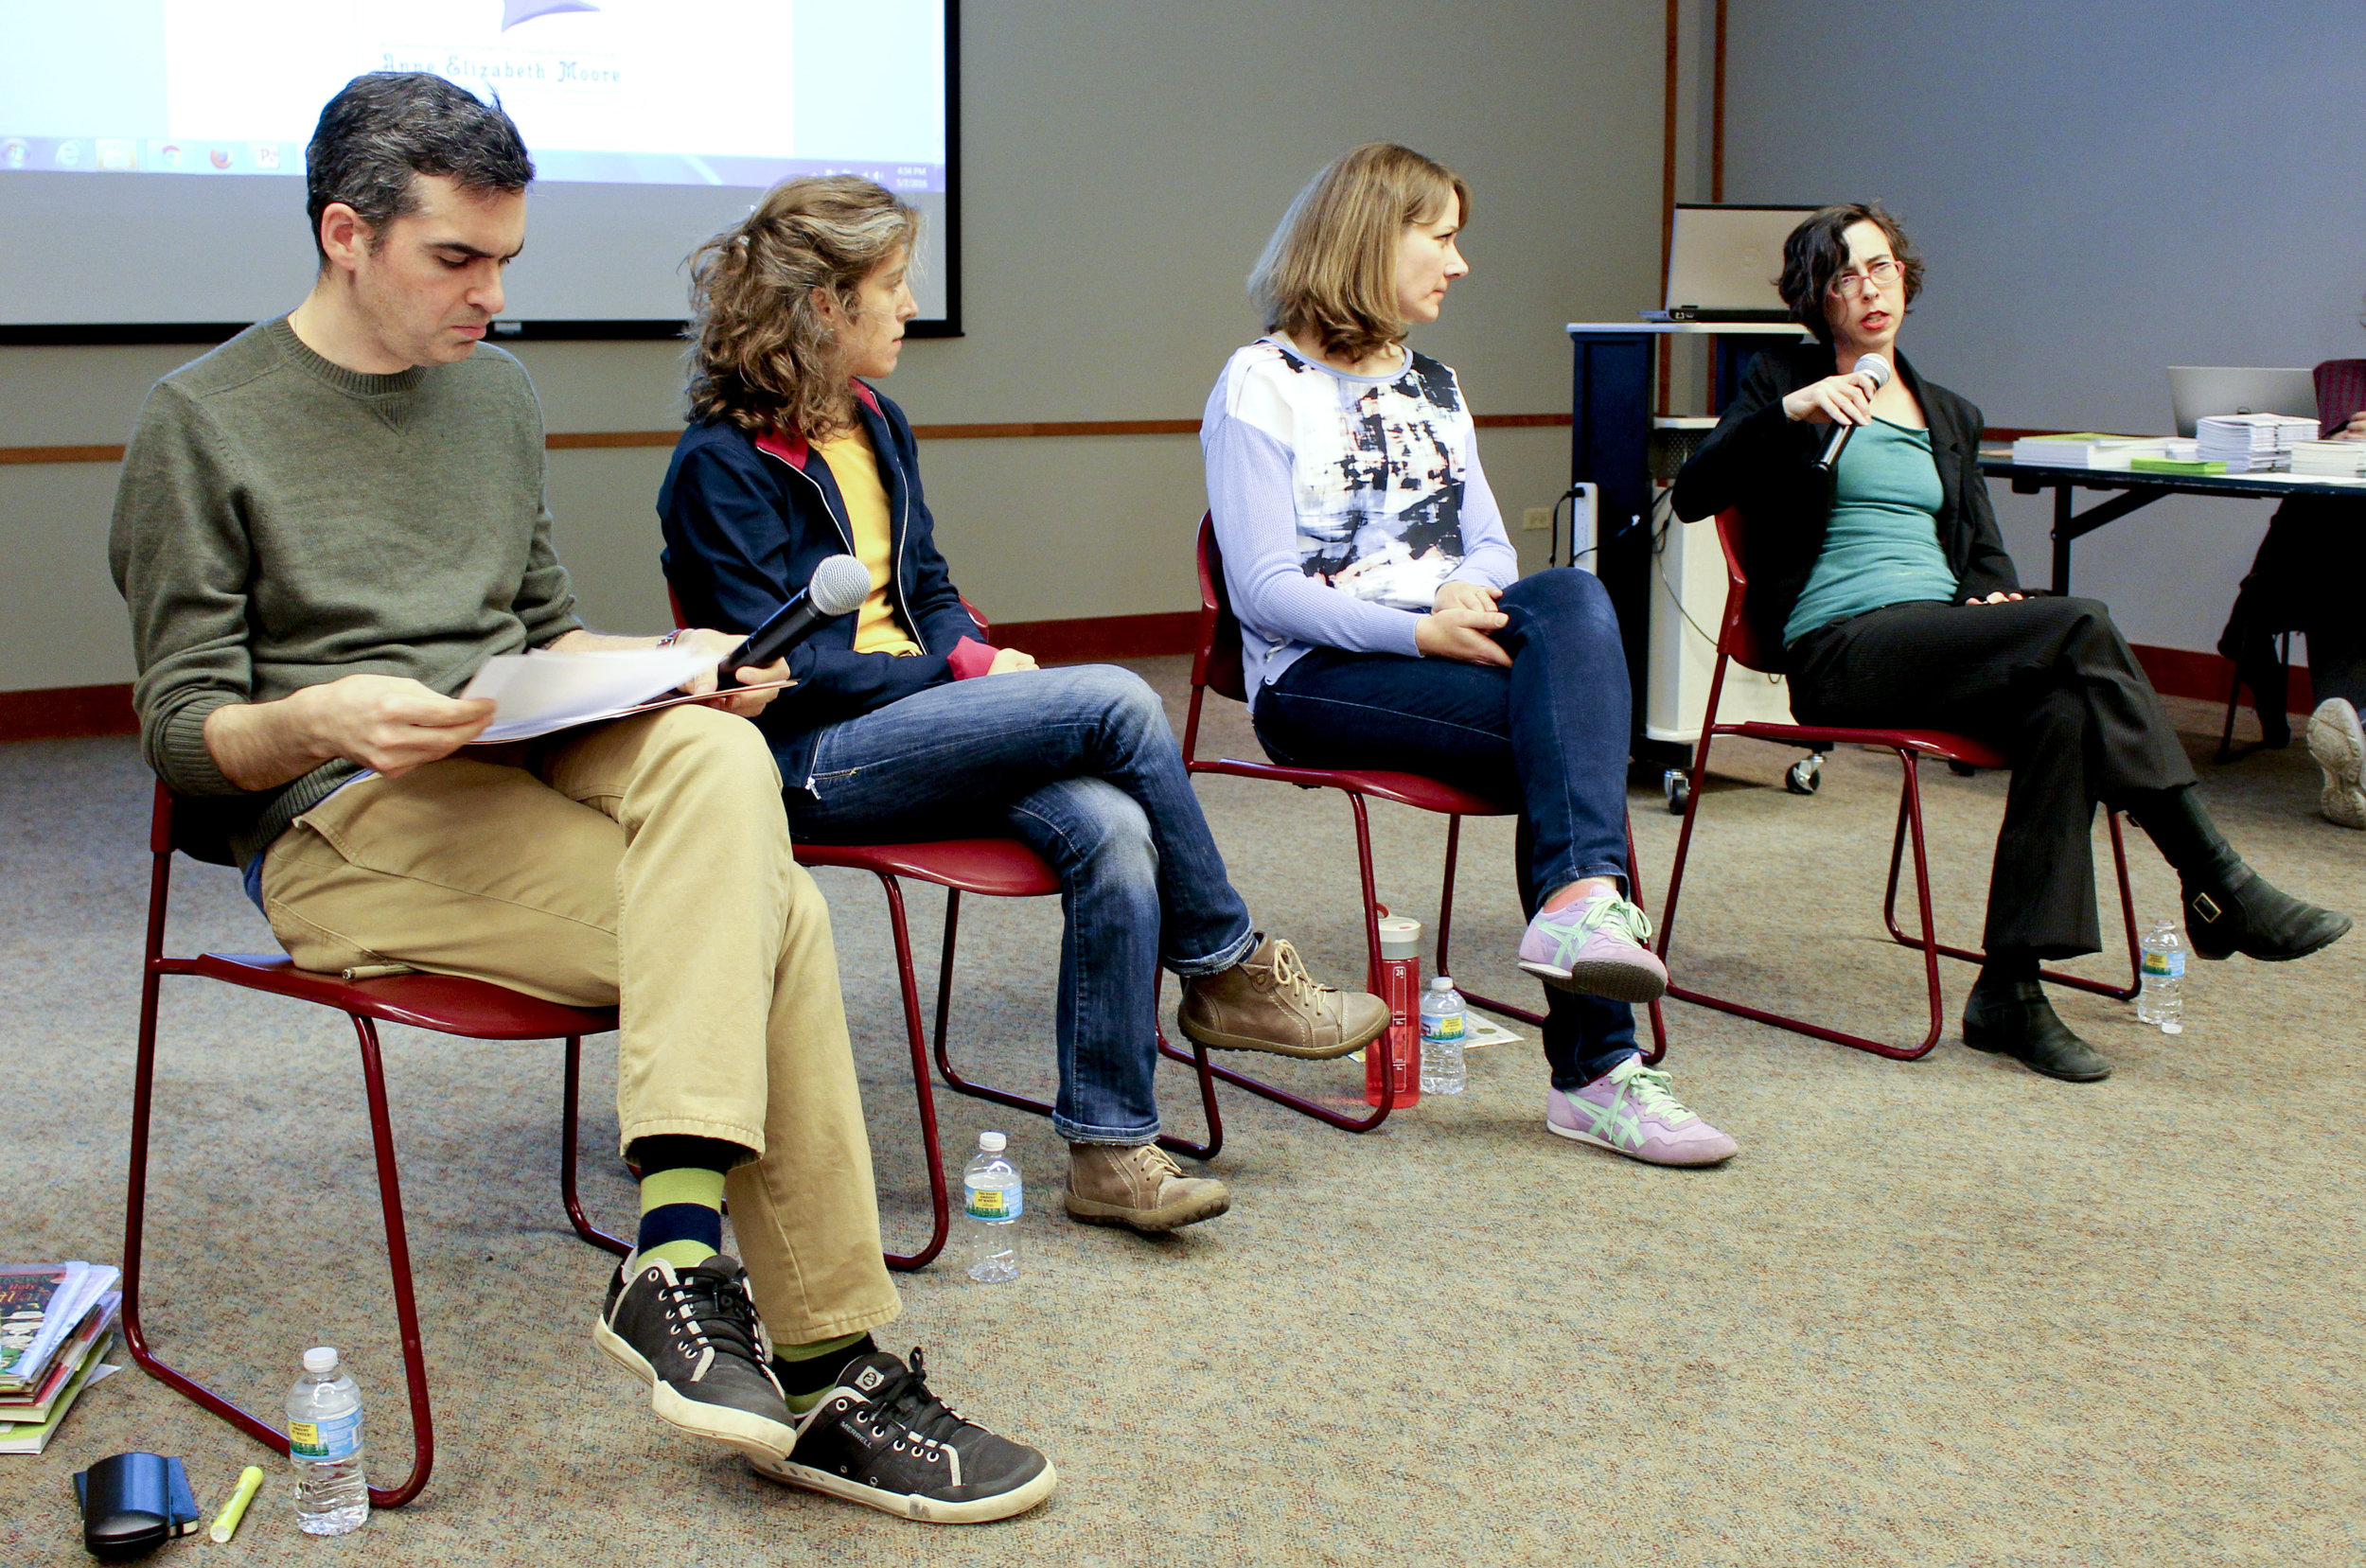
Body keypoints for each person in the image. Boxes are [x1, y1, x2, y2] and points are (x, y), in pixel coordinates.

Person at [108, 73, 1051, 1524]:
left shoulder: (495, 391)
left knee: (718, 745)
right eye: (458, 261)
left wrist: (681, 662)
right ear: (347, 234)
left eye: (508, 263)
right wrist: (319, 710)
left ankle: (677, 1256)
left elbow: (542, 631)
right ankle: (831, 1367)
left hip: (514, 755)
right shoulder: (201, 420)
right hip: (341, 816)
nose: (492, 295)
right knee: (777, 917)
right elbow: (180, 730)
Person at [658, 176, 1389, 1234]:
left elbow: (932, 590)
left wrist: (975, 655)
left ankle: (1112, 1153)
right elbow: (790, 672)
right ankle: (1228, 968)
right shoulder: (716, 466)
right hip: (810, 760)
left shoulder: (875, 421)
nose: (910, 305)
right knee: (1117, 700)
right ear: (826, 306)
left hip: (918, 733)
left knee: (1116, 826)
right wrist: (962, 676)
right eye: (894, 285)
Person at [1671, 203, 2352, 1083]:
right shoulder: (1780, 381)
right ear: (1817, 301)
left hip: (1937, 636)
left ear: (1905, 276)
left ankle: (2010, 989)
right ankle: (2215, 879)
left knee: (2065, 708)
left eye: (1880, 266)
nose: (1869, 287)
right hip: (1841, 647)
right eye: (1843, 276)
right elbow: (1694, 493)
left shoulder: (1949, 412)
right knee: (2083, 619)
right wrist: (1791, 410)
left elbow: (1982, 549)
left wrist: (1985, 589)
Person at [1200, 142, 1736, 1168]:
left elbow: (1486, 543)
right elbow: (1264, 593)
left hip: (1441, 646)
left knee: (1571, 596)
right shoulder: (1258, 384)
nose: (1459, 264)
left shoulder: (1433, 383)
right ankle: (1597, 1073)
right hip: (1316, 679)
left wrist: (1465, 588)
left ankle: (1579, 912)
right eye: (1439, 240)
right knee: (1576, 739)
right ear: (1369, 241)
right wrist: (1418, 626)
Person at [2216, 360, 2366, 829]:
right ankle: (2357, 745)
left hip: (2320, 573)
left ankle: (2250, 623)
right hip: (2332, 566)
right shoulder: (2338, 378)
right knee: (2321, 507)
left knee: (2329, 538)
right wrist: (2330, 448)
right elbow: (2296, 463)